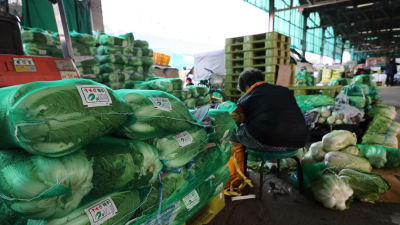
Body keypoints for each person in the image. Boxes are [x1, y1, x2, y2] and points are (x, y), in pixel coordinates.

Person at [230, 68, 309, 155]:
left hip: (268, 143)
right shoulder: (284, 90)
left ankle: (239, 165)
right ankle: (272, 164)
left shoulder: (248, 97)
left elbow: (232, 120)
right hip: (298, 141)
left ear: (246, 86)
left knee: (231, 133)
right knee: (266, 127)